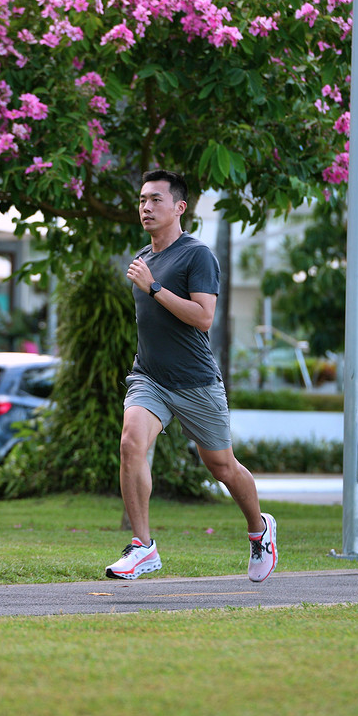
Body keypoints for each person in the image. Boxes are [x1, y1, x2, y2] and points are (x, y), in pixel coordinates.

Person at [105, 169, 277, 582]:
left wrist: (154, 288)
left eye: (156, 200)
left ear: (179, 207)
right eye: (142, 200)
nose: (146, 207)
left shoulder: (196, 255)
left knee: (221, 467)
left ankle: (260, 531)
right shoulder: (143, 259)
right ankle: (142, 547)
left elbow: (204, 319)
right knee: (131, 442)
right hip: (149, 377)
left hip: (196, 382)